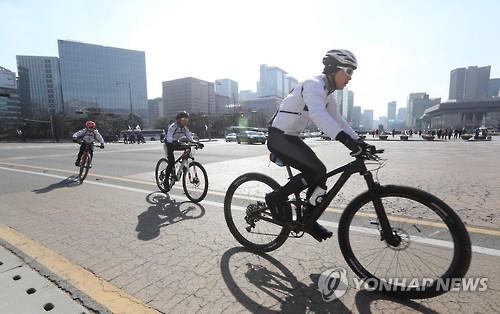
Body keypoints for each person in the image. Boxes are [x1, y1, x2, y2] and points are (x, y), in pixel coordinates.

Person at [266, 49, 373, 242]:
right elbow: (318, 115)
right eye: (348, 71)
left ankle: (309, 220)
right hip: (279, 137)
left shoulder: (328, 93)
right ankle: (275, 198)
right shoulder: (313, 84)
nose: (350, 77)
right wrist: (346, 140)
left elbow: (338, 120)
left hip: (291, 137)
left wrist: (358, 141)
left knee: (319, 173)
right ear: (334, 69)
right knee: (316, 171)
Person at [163, 111, 204, 191]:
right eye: (183, 119)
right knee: (171, 162)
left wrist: (197, 143)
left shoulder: (185, 128)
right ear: (178, 120)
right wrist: (172, 142)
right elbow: (169, 137)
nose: (185, 121)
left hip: (176, 143)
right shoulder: (173, 127)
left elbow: (190, 139)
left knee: (187, 148)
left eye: (186, 120)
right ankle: (166, 180)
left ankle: (183, 165)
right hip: (168, 144)